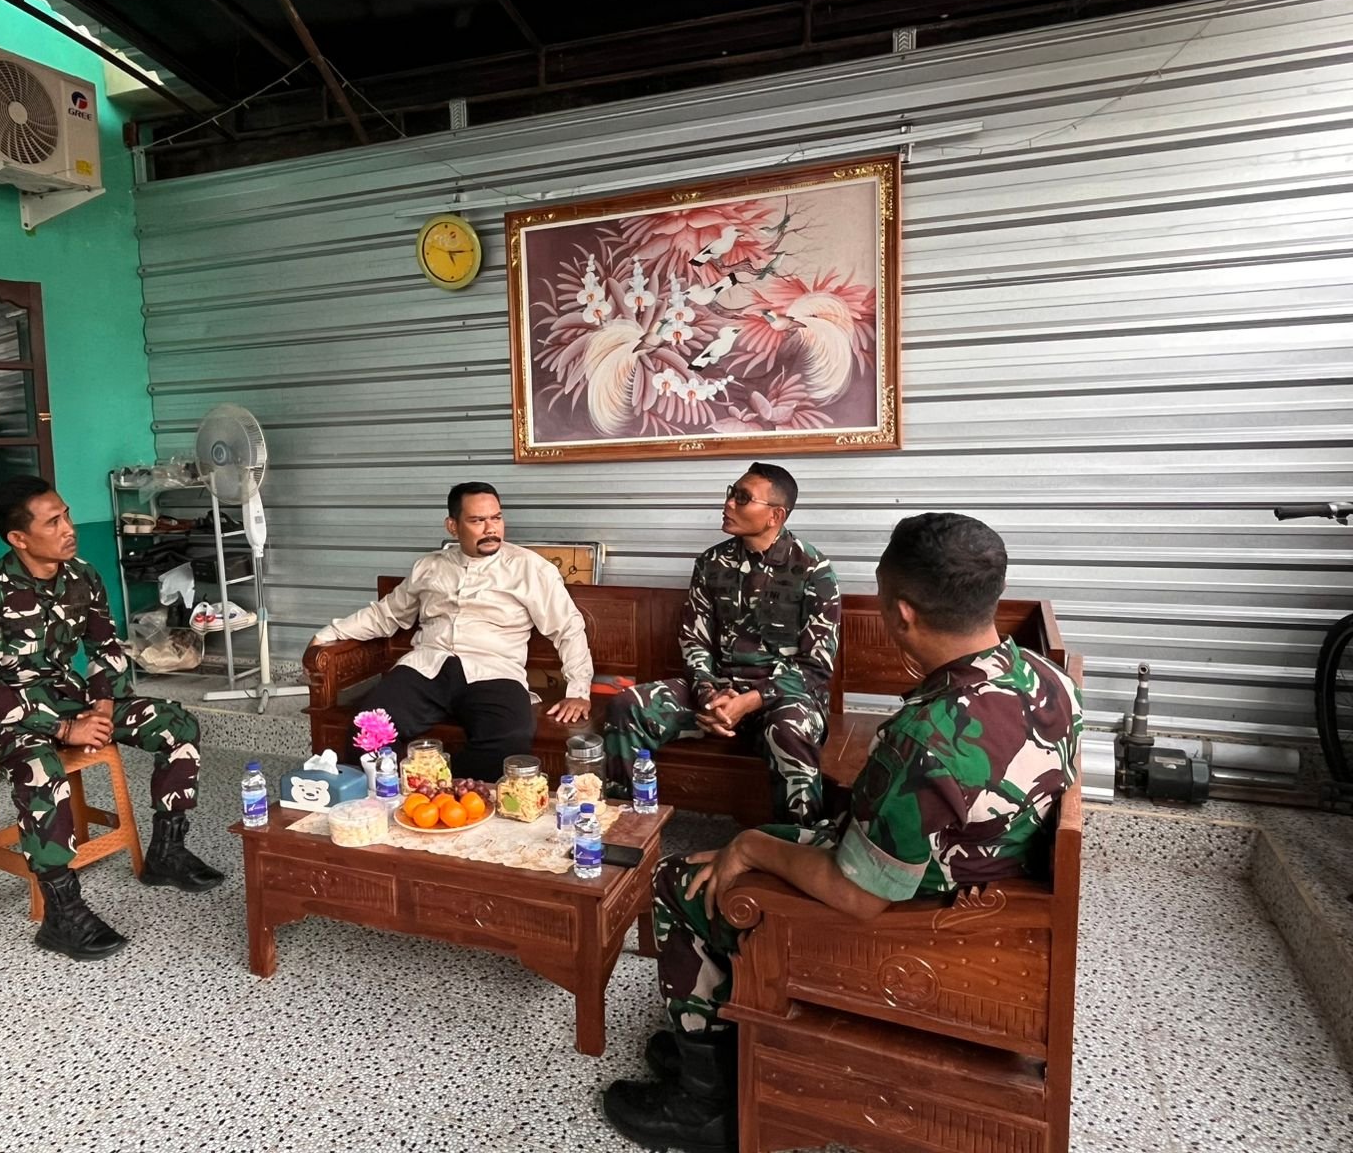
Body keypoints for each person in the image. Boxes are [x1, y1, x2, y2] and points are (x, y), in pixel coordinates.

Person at [601, 512, 1083, 1152]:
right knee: (767, 835)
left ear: (902, 613)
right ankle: (721, 1036)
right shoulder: (1045, 678)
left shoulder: (924, 737)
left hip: (912, 920)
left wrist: (751, 845)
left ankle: (703, 1101)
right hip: (978, 884)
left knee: (680, 881)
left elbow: (857, 893)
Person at [0, 476, 224, 963]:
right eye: (52, 522)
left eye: (67, 515)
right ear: (18, 538)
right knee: (39, 768)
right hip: (0, 718)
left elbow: (105, 648)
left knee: (176, 725)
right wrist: (63, 729)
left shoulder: (82, 575)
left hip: (68, 700)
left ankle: (166, 851)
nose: (69, 528)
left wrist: (102, 707)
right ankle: (62, 913)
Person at [603, 462, 839, 823]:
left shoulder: (813, 569)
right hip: (718, 694)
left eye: (742, 498)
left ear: (775, 515)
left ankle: (799, 841)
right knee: (627, 706)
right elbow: (694, 640)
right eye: (732, 492)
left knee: (790, 728)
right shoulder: (712, 563)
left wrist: (751, 699)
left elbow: (816, 668)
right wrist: (709, 695)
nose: (728, 503)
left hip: (783, 699)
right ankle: (628, 825)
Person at [307, 482, 593, 779]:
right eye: (477, 520)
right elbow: (387, 614)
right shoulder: (429, 566)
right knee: (367, 730)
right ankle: (401, 793)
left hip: (493, 671)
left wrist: (579, 691)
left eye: (496, 518)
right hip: (426, 667)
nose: (491, 529)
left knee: (510, 738)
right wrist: (329, 634)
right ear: (453, 526)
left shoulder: (529, 568)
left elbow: (567, 627)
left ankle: (444, 790)